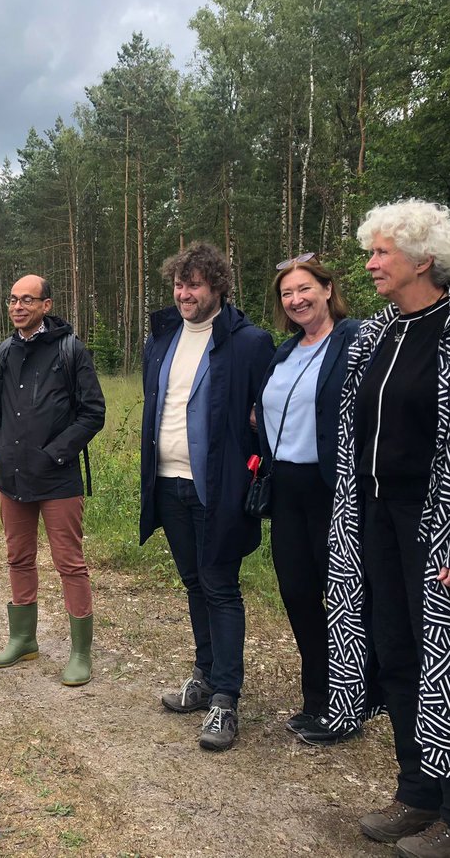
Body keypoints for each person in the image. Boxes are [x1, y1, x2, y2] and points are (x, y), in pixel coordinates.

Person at [325, 200, 450, 858]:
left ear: (422, 259)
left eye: (382, 252)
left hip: (443, 525)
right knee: (400, 653)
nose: (370, 263)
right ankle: (418, 794)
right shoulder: (380, 330)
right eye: (371, 251)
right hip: (378, 518)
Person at [140, 242, 275, 751]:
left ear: (218, 287)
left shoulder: (248, 342)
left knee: (220, 585)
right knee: (194, 582)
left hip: (219, 489)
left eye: (194, 284)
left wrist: (254, 465)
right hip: (169, 482)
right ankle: (203, 674)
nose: (183, 293)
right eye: (179, 283)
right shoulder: (164, 339)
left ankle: (225, 699)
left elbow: (267, 416)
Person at [0, 274, 105, 685]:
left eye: (27, 300)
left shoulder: (71, 351)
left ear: (46, 306)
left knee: (70, 563)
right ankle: (23, 640)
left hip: (58, 479)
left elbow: (92, 412)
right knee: (18, 558)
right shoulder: (1, 354)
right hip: (11, 478)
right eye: (13, 300)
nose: (18, 307)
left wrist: (56, 453)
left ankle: (81, 652)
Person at [253, 254, 358, 742]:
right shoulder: (285, 350)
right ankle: (316, 697)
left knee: (343, 601)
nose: (295, 300)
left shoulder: (356, 340)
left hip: (332, 489)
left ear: (328, 288)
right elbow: (269, 405)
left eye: (304, 289)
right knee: (297, 595)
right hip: (286, 490)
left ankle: (346, 704)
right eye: (286, 294)